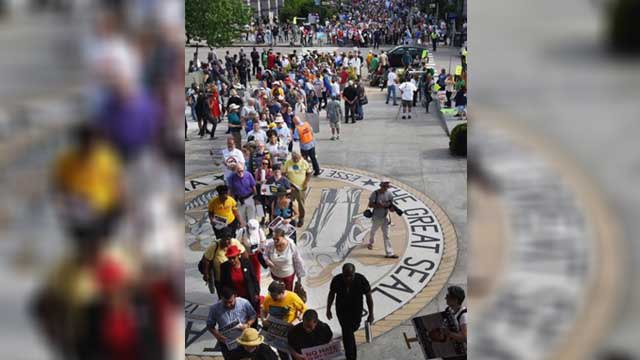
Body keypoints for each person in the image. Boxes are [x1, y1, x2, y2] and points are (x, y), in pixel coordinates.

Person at [326, 263, 374, 360]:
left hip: (356, 310)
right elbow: (331, 294)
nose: (348, 278)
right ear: (342, 273)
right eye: (345, 276)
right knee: (347, 332)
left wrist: (371, 313)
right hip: (342, 310)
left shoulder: (361, 280)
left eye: (350, 276)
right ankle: (351, 357)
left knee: (351, 330)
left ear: (354, 274)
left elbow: (369, 297)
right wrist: (328, 309)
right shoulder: (336, 280)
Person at [206, 287, 257, 359]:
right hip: (226, 343)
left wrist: (247, 324)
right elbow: (210, 325)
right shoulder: (214, 308)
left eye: (230, 302)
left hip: (244, 341)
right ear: (221, 298)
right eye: (225, 302)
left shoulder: (244, 303)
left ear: (235, 296)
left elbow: (253, 315)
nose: (228, 305)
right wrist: (217, 335)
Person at [262, 281, 307, 360]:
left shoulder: (292, 297)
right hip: (277, 332)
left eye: (275, 297)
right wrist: (263, 320)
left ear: (282, 292)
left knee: (296, 354)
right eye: (271, 296)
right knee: (283, 353)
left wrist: (296, 321)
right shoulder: (269, 298)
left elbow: (304, 310)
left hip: (291, 330)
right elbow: (263, 310)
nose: (273, 299)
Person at [201, 228, 247, 295]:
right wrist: (206, 274)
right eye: (224, 239)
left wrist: (246, 266)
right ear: (221, 239)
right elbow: (206, 260)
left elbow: (244, 253)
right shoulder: (214, 246)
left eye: (228, 239)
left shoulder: (235, 242)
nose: (226, 241)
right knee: (223, 297)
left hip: (234, 277)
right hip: (220, 279)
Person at [220, 245, 261, 312]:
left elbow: (254, 279)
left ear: (238, 255)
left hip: (249, 295)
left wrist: (256, 293)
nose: (232, 260)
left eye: (233, 258)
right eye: (229, 258)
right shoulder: (224, 267)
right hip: (235, 299)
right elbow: (223, 284)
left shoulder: (246, 263)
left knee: (251, 313)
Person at [367, 180, 398, 258]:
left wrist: (392, 209)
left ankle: (389, 253)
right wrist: (379, 205)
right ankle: (371, 242)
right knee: (373, 231)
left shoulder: (390, 194)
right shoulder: (375, 194)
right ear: (381, 186)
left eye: (387, 187)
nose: (386, 188)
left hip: (386, 217)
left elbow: (391, 206)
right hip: (377, 217)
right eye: (384, 186)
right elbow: (370, 205)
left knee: (387, 235)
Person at [283, 152, 311, 227]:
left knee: (301, 204)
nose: (295, 160)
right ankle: (291, 218)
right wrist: (288, 184)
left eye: (297, 159)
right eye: (294, 158)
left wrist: (306, 183)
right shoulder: (288, 163)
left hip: (301, 188)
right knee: (289, 204)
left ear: (300, 157)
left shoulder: (304, 163)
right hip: (291, 187)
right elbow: (283, 174)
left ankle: (301, 218)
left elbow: (309, 173)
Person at [441, 286, 468, 359]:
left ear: (455, 300)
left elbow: (465, 337)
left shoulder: (464, 315)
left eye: (448, 296)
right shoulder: (449, 310)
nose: (445, 298)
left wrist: (448, 333)